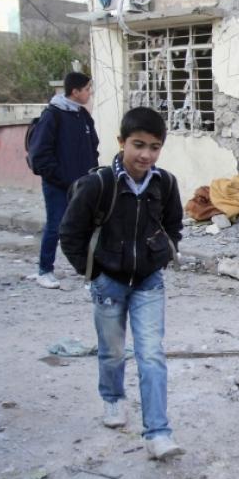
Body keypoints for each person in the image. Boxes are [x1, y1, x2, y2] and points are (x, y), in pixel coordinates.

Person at [58, 106, 184, 460]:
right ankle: (113, 399)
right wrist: (93, 274)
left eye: (154, 146)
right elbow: (70, 233)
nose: (146, 154)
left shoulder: (166, 184)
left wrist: (161, 253)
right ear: (121, 142)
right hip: (108, 284)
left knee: (152, 355)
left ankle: (158, 433)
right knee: (112, 352)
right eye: (138, 144)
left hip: (148, 283)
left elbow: (174, 226)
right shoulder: (99, 183)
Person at [27, 71, 98, 289]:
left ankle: (89, 273)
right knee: (56, 225)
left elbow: (92, 146)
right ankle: (45, 270)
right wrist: (61, 178)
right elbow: (40, 155)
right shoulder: (53, 115)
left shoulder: (82, 115)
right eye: (87, 89)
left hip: (82, 184)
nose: (89, 93)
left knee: (86, 227)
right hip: (58, 185)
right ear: (75, 92)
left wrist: (91, 173)